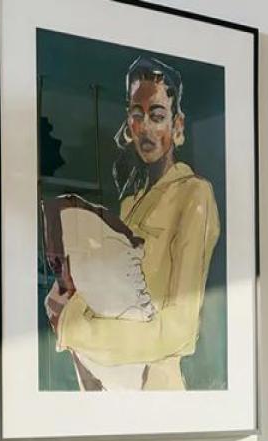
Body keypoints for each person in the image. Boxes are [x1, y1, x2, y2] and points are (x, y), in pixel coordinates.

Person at [45, 55, 219, 391]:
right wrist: (70, 297)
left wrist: (73, 327)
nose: (147, 128)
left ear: (178, 126)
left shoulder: (194, 195)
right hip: (103, 382)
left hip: (156, 391)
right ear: (129, 123)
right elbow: (112, 291)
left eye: (157, 116)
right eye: (138, 116)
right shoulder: (130, 203)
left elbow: (179, 332)